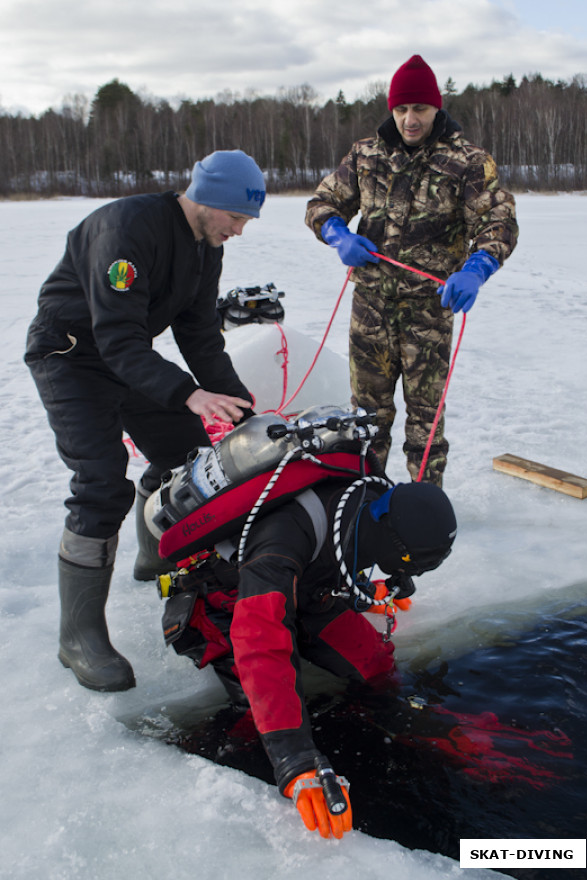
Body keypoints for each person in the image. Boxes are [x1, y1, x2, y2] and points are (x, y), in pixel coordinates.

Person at [24, 150, 266, 693]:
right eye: (237, 218)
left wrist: (243, 405)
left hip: (127, 355)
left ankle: (153, 554)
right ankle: (78, 637)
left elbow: (201, 336)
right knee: (101, 483)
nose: (240, 231)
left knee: (187, 457)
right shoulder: (126, 232)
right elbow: (116, 339)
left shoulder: (206, 248)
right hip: (69, 356)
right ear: (209, 200)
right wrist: (188, 394)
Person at [155, 430, 457, 839]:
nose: (411, 576)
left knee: (374, 663)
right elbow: (259, 639)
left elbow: (340, 557)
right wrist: (295, 762)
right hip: (228, 601)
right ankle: (225, 753)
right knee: (255, 711)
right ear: (394, 544)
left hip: (307, 592)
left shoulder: (367, 495)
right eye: (412, 567)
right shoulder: (289, 533)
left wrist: (371, 592)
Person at [305, 55, 518, 485]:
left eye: (419, 109)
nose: (409, 120)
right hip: (370, 310)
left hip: (429, 312)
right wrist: (337, 235)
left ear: (436, 107)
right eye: (401, 110)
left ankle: (424, 508)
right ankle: (363, 501)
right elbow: (321, 204)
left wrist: (477, 268)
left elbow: (499, 221)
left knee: (426, 422)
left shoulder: (468, 161)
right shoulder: (366, 154)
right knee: (367, 418)